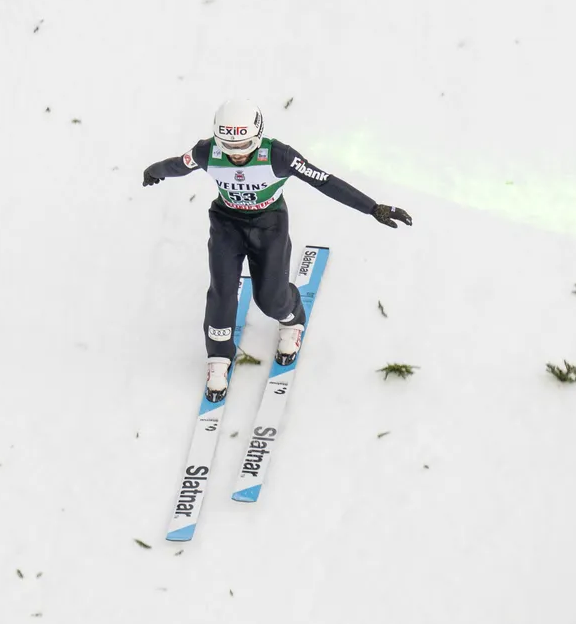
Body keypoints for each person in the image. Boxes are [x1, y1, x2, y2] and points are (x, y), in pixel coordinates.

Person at [143, 98, 412, 401]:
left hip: (268, 225)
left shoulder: (279, 156)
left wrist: (372, 207)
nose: (236, 155)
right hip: (227, 223)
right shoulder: (207, 152)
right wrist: (155, 171)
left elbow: (324, 181)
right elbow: (179, 165)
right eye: (228, 146)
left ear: (257, 136)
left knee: (270, 301)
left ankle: (292, 317)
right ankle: (218, 356)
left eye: (244, 145)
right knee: (221, 291)